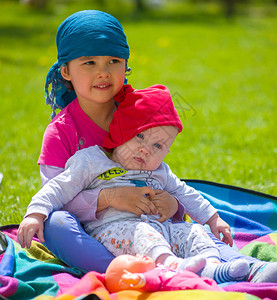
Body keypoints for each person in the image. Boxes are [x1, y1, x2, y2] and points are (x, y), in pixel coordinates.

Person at [17, 10, 277, 283]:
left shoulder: (136, 111)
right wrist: (110, 198)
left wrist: (173, 204)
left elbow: (158, 174)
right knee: (55, 224)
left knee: (192, 232)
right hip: (99, 230)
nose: (103, 72)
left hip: (151, 219)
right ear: (66, 71)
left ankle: (245, 266)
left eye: (113, 61)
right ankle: (139, 274)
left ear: (126, 64)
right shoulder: (61, 132)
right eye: (89, 62)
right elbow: (56, 196)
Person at [18, 85, 251, 285]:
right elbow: (57, 188)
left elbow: (185, 193)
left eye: (158, 146)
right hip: (114, 230)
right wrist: (35, 214)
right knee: (142, 233)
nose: (145, 149)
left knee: (193, 232)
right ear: (121, 131)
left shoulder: (159, 171)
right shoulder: (92, 161)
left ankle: (213, 268)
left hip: (161, 229)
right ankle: (169, 269)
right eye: (139, 136)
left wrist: (213, 219)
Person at [104, 254, 224, 293]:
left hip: (198, 281)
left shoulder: (159, 269)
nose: (137, 254)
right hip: (192, 287)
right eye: (131, 259)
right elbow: (151, 280)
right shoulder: (151, 277)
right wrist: (139, 279)